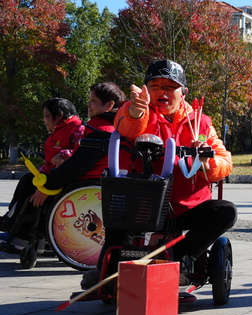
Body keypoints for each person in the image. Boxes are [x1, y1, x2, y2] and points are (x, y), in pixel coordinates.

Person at [81, 60, 236, 291]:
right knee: (119, 218)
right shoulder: (137, 111)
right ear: (145, 90)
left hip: (186, 206)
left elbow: (224, 161)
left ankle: (180, 262)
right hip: (142, 202)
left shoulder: (201, 123)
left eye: (170, 86)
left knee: (226, 211)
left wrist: (206, 160)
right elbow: (127, 126)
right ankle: (110, 270)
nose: (162, 91)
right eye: (155, 85)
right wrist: (136, 109)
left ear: (183, 92)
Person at [0, 98, 84, 241]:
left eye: (46, 116)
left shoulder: (78, 129)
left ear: (59, 116)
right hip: (51, 175)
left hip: (64, 179)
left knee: (29, 187)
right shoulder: (58, 130)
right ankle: (12, 221)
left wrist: (64, 154)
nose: (44, 120)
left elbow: (80, 152)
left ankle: (22, 233)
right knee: (27, 180)